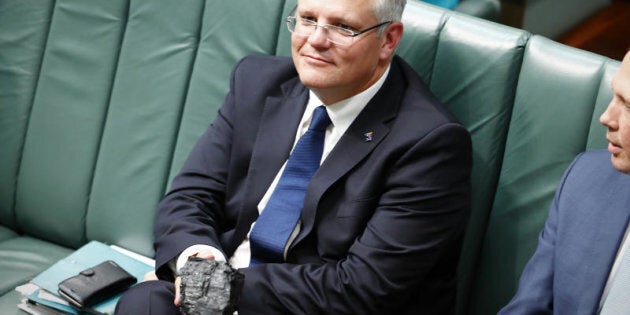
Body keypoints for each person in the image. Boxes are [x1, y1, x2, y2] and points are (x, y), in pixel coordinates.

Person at [116, 0, 472, 313]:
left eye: (343, 27)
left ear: (389, 39)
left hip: (316, 305)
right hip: (218, 289)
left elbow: (365, 287)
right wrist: (198, 262)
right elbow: (189, 198)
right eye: (307, 19)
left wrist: (220, 286)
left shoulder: (429, 143)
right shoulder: (257, 82)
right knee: (143, 303)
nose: (316, 40)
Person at [499, 50, 630, 314]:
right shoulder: (585, 180)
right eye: (613, 95)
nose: (606, 117)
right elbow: (530, 307)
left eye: (628, 106)